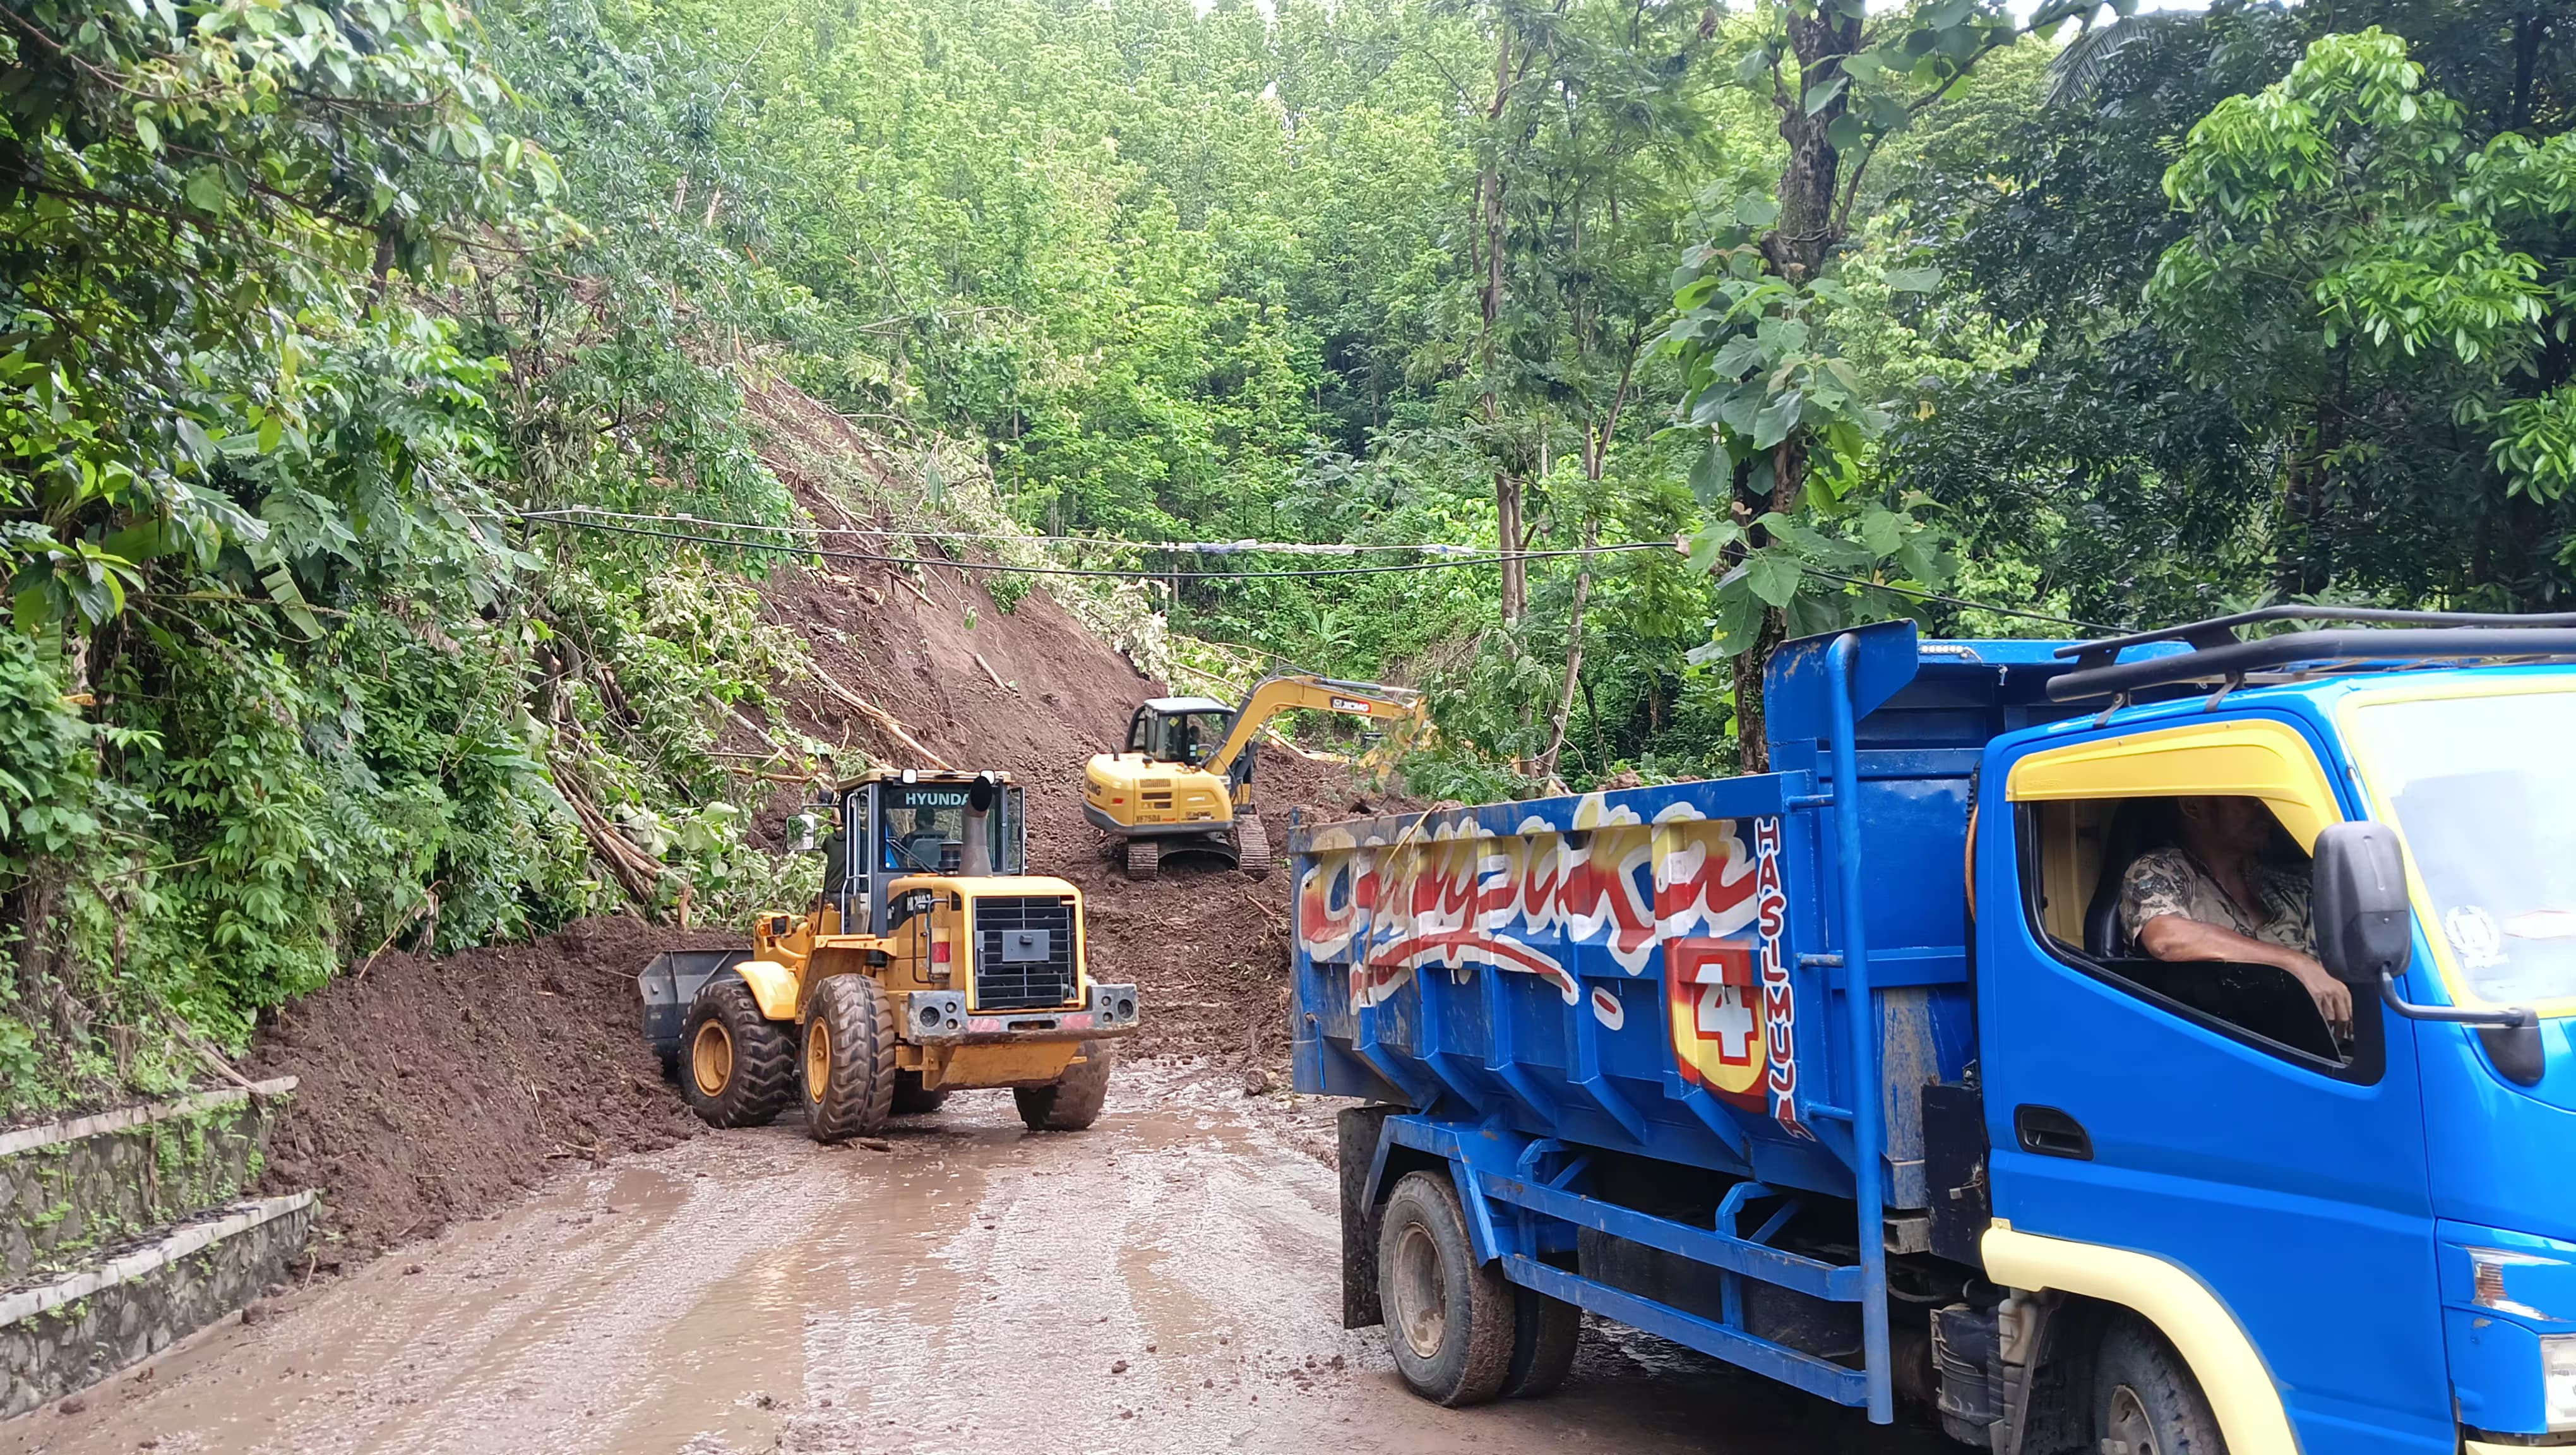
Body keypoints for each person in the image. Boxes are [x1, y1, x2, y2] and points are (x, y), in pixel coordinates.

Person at [2119, 796, 2354, 1036]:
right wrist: (2294, 963)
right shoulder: (2159, 870)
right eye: (2248, 800)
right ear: (2193, 806)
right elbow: (2166, 939)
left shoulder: (2290, 884)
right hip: (2222, 1042)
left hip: (2327, 1053)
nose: (2263, 808)